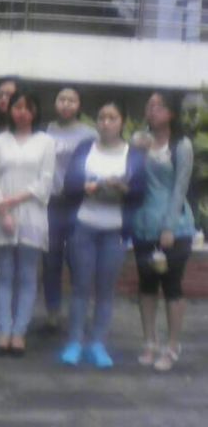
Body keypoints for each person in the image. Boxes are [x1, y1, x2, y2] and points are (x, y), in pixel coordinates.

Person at [60, 100, 146, 368]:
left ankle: (97, 343)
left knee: (106, 290)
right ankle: (74, 342)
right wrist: (87, 187)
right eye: (101, 117)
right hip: (83, 225)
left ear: (122, 122)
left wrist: (123, 189)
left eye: (112, 117)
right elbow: (69, 185)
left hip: (115, 230)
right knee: (80, 287)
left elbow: (140, 191)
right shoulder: (85, 148)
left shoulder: (133, 154)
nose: (106, 123)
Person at [0, 90, 55, 356]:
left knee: (27, 275)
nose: (22, 112)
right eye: (17, 107)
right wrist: (2, 209)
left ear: (35, 111)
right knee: (3, 274)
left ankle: (19, 332)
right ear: (9, 110)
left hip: (31, 212)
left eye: (27, 107)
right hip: (2, 212)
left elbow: (46, 180)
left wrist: (13, 200)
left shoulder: (46, 142)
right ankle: (4, 330)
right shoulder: (0, 141)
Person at [131, 92, 197, 372]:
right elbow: (131, 178)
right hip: (143, 222)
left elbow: (180, 187)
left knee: (171, 285)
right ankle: (149, 341)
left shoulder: (181, 145)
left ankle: (172, 345)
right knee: (146, 285)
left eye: (158, 106)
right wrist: (136, 150)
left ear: (171, 113)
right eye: (149, 106)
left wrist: (169, 226)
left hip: (175, 225)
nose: (152, 110)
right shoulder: (139, 142)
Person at [43, 87, 97, 332]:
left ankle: (81, 310)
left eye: (72, 100)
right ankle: (53, 312)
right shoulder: (45, 132)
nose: (66, 104)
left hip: (79, 203)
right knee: (50, 260)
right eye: (62, 99)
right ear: (55, 103)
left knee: (79, 259)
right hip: (50, 203)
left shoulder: (90, 134)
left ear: (79, 104)